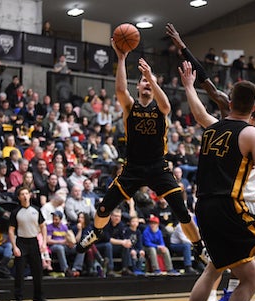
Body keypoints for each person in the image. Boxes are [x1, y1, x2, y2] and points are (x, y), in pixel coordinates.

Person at [179, 59, 255, 301]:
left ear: (229, 102)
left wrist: (188, 86)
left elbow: (198, 113)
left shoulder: (211, 129)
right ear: (253, 108)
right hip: (229, 208)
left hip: (203, 210)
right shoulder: (253, 134)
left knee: (248, 274)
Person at [75, 38, 206, 264]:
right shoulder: (129, 107)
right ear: (137, 87)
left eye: (150, 82)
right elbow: (119, 89)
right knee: (104, 206)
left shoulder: (161, 108)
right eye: (143, 81)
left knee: (182, 212)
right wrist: (122, 58)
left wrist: (152, 79)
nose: (146, 83)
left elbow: (166, 104)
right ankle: (95, 233)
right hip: (133, 168)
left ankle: (198, 247)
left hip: (159, 167)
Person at [9, 186, 49, 301]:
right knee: (20, 272)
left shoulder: (36, 210)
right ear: (19, 197)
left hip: (34, 242)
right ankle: (19, 297)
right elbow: (11, 230)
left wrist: (44, 243)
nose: (25, 196)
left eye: (27, 193)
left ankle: (38, 296)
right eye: (22, 194)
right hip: (21, 242)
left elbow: (43, 227)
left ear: (30, 195)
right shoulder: (15, 212)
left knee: (37, 271)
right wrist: (14, 246)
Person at [47, 211, 84, 277]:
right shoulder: (49, 227)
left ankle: (76, 268)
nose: (54, 221)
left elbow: (69, 238)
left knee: (81, 248)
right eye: (53, 219)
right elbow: (48, 240)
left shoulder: (64, 227)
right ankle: (66, 269)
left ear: (60, 220)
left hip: (65, 246)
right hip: (53, 246)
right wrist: (61, 242)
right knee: (60, 248)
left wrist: (70, 243)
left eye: (56, 219)